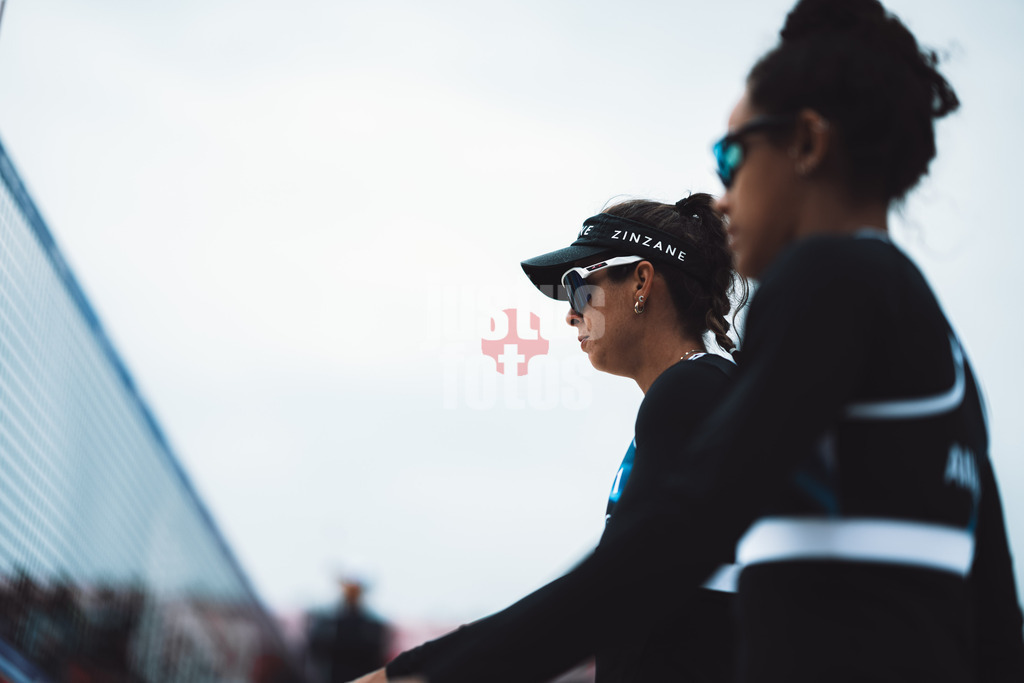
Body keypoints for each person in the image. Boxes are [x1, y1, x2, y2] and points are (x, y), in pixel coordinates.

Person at [355, 0, 1024, 681]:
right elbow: (997, 619)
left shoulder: (824, 279)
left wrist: (422, 674)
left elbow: (658, 553)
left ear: (808, 144)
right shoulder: (937, 341)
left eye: (730, 154)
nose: (724, 197)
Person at [351, 193, 747, 683]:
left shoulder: (692, 393)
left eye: (579, 288)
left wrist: (421, 673)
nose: (569, 313)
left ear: (641, 281)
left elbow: (608, 590)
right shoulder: (698, 394)